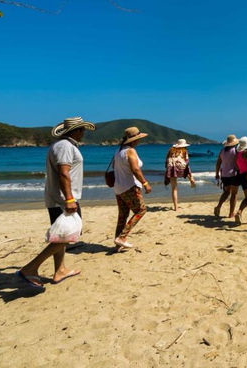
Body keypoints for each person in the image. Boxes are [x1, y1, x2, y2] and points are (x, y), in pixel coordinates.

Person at [17, 117, 95, 289]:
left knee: (62, 235)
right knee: (69, 234)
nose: (84, 133)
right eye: (82, 130)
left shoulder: (61, 145)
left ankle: (60, 270)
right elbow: (63, 173)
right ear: (76, 131)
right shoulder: (66, 146)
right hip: (63, 198)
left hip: (57, 197)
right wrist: (69, 199)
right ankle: (30, 268)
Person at [112, 127, 151, 250]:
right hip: (129, 186)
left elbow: (114, 167)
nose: (139, 141)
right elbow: (135, 169)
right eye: (138, 139)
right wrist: (145, 183)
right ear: (134, 140)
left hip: (118, 187)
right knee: (141, 210)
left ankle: (118, 243)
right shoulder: (130, 151)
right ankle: (122, 237)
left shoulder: (118, 151)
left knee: (123, 215)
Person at [164, 139, 196, 211]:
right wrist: (190, 174)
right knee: (186, 168)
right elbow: (187, 163)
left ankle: (176, 208)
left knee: (174, 189)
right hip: (181, 167)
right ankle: (191, 179)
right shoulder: (184, 151)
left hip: (171, 168)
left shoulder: (171, 151)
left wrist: (167, 171)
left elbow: (166, 161)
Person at [214, 134, 240, 218]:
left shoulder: (222, 151)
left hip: (224, 174)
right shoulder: (235, 150)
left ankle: (219, 206)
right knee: (234, 194)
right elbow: (237, 163)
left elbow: (218, 163)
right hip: (234, 174)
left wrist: (217, 174)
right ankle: (231, 213)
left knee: (226, 192)